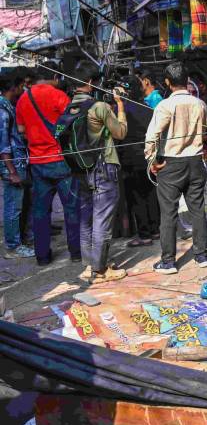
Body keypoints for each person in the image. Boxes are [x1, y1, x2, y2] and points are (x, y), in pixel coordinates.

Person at [144, 62, 207, 274]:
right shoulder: (199, 104)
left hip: (172, 164)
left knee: (169, 213)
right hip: (195, 161)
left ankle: (168, 262)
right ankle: (201, 256)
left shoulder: (165, 106)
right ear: (186, 80)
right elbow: (205, 132)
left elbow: (152, 136)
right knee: (197, 208)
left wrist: (152, 160)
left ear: (167, 82)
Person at [15, 65, 80, 266]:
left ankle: (42, 256)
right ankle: (76, 252)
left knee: (41, 211)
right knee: (71, 208)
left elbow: (21, 130)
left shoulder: (22, 100)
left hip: (37, 163)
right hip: (61, 161)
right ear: (53, 76)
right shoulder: (58, 95)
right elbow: (73, 124)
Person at [69, 62, 127, 284]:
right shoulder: (99, 107)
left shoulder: (69, 108)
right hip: (103, 167)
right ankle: (100, 270)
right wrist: (120, 106)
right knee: (102, 219)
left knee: (86, 219)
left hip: (80, 170)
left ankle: (89, 265)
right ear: (90, 83)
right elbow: (120, 132)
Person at [177, 79, 207, 236]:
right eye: (187, 92)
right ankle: (190, 227)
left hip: (204, 160)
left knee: (206, 195)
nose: (190, 95)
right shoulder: (175, 110)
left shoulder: (204, 110)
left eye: (192, 92)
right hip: (182, 161)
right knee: (185, 198)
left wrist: (203, 137)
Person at [118, 75, 159, 247]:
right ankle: (155, 230)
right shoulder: (148, 108)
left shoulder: (122, 111)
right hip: (148, 157)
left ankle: (144, 234)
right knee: (150, 193)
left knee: (136, 197)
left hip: (130, 160)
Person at [0, 70, 34, 259]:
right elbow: (2, 144)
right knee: (13, 207)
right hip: (11, 164)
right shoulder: (3, 110)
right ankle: (13, 246)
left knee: (19, 205)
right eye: (21, 86)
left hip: (17, 161)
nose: (23, 89)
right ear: (13, 87)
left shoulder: (8, 107)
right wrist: (12, 171)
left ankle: (19, 240)